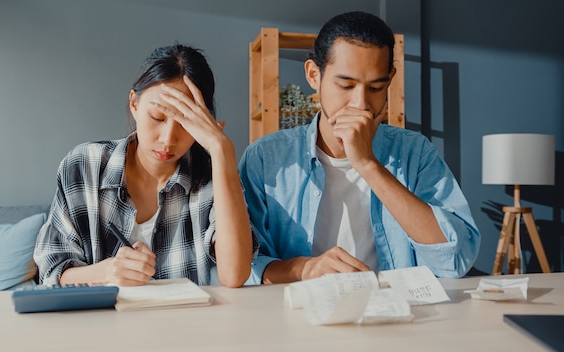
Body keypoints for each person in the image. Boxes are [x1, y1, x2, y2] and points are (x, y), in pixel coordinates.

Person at [239, 11, 481, 285]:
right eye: (346, 85)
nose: (361, 103)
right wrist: (305, 269)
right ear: (313, 75)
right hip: (299, 316)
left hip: (395, 315)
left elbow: (454, 260)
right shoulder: (265, 158)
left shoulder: (415, 152)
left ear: (390, 80)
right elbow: (242, 266)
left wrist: (368, 165)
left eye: (376, 88)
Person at [34, 44, 257, 288]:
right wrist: (107, 272)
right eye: (157, 118)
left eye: (185, 123)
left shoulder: (212, 177)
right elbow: (51, 273)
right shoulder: (85, 165)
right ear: (134, 103)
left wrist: (222, 150)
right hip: (98, 323)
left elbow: (235, 275)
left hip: (185, 324)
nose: (168, 139)